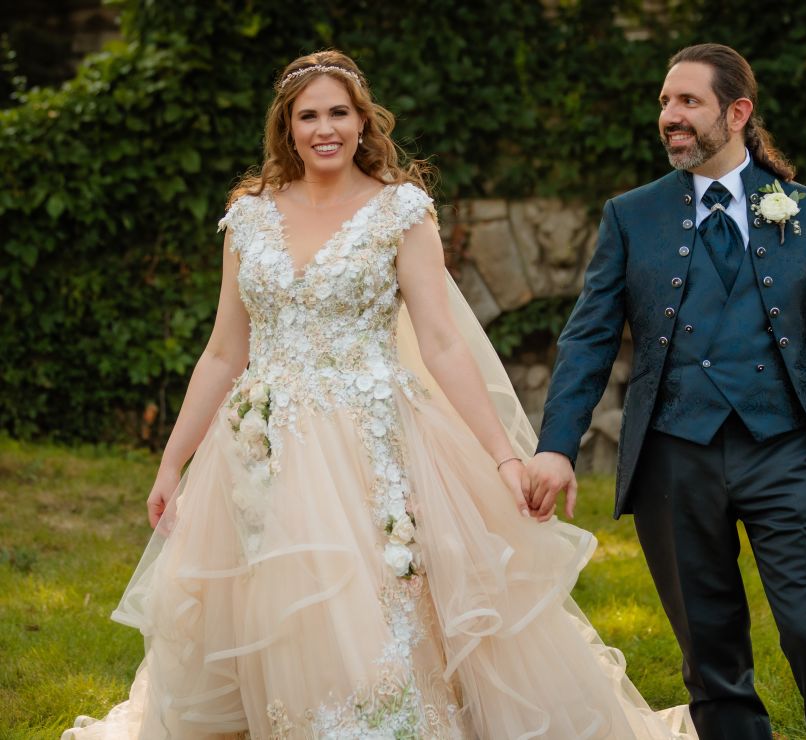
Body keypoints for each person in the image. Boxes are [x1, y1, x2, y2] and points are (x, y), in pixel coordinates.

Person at [65, 50, 695, 739]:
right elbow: (223, 352)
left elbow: (444, 343)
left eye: (339, 112)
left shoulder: (400, 212)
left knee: (373, 609)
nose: (324, 128)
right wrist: (172, 462)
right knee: (273, 608)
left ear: (364, 123)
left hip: (371, 446)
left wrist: (503, 456)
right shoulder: (248, 219)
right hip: (260, 447)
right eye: (309, 115)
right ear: (287, 126)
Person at [526, 43, 806, 740]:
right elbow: (589, 339)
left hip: (783, 452)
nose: (669, 116)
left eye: (687, 101)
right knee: (711, 655)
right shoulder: (632, 216)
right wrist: (557, 447)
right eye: (665, 102)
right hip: (675, 456)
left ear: (738, 112)